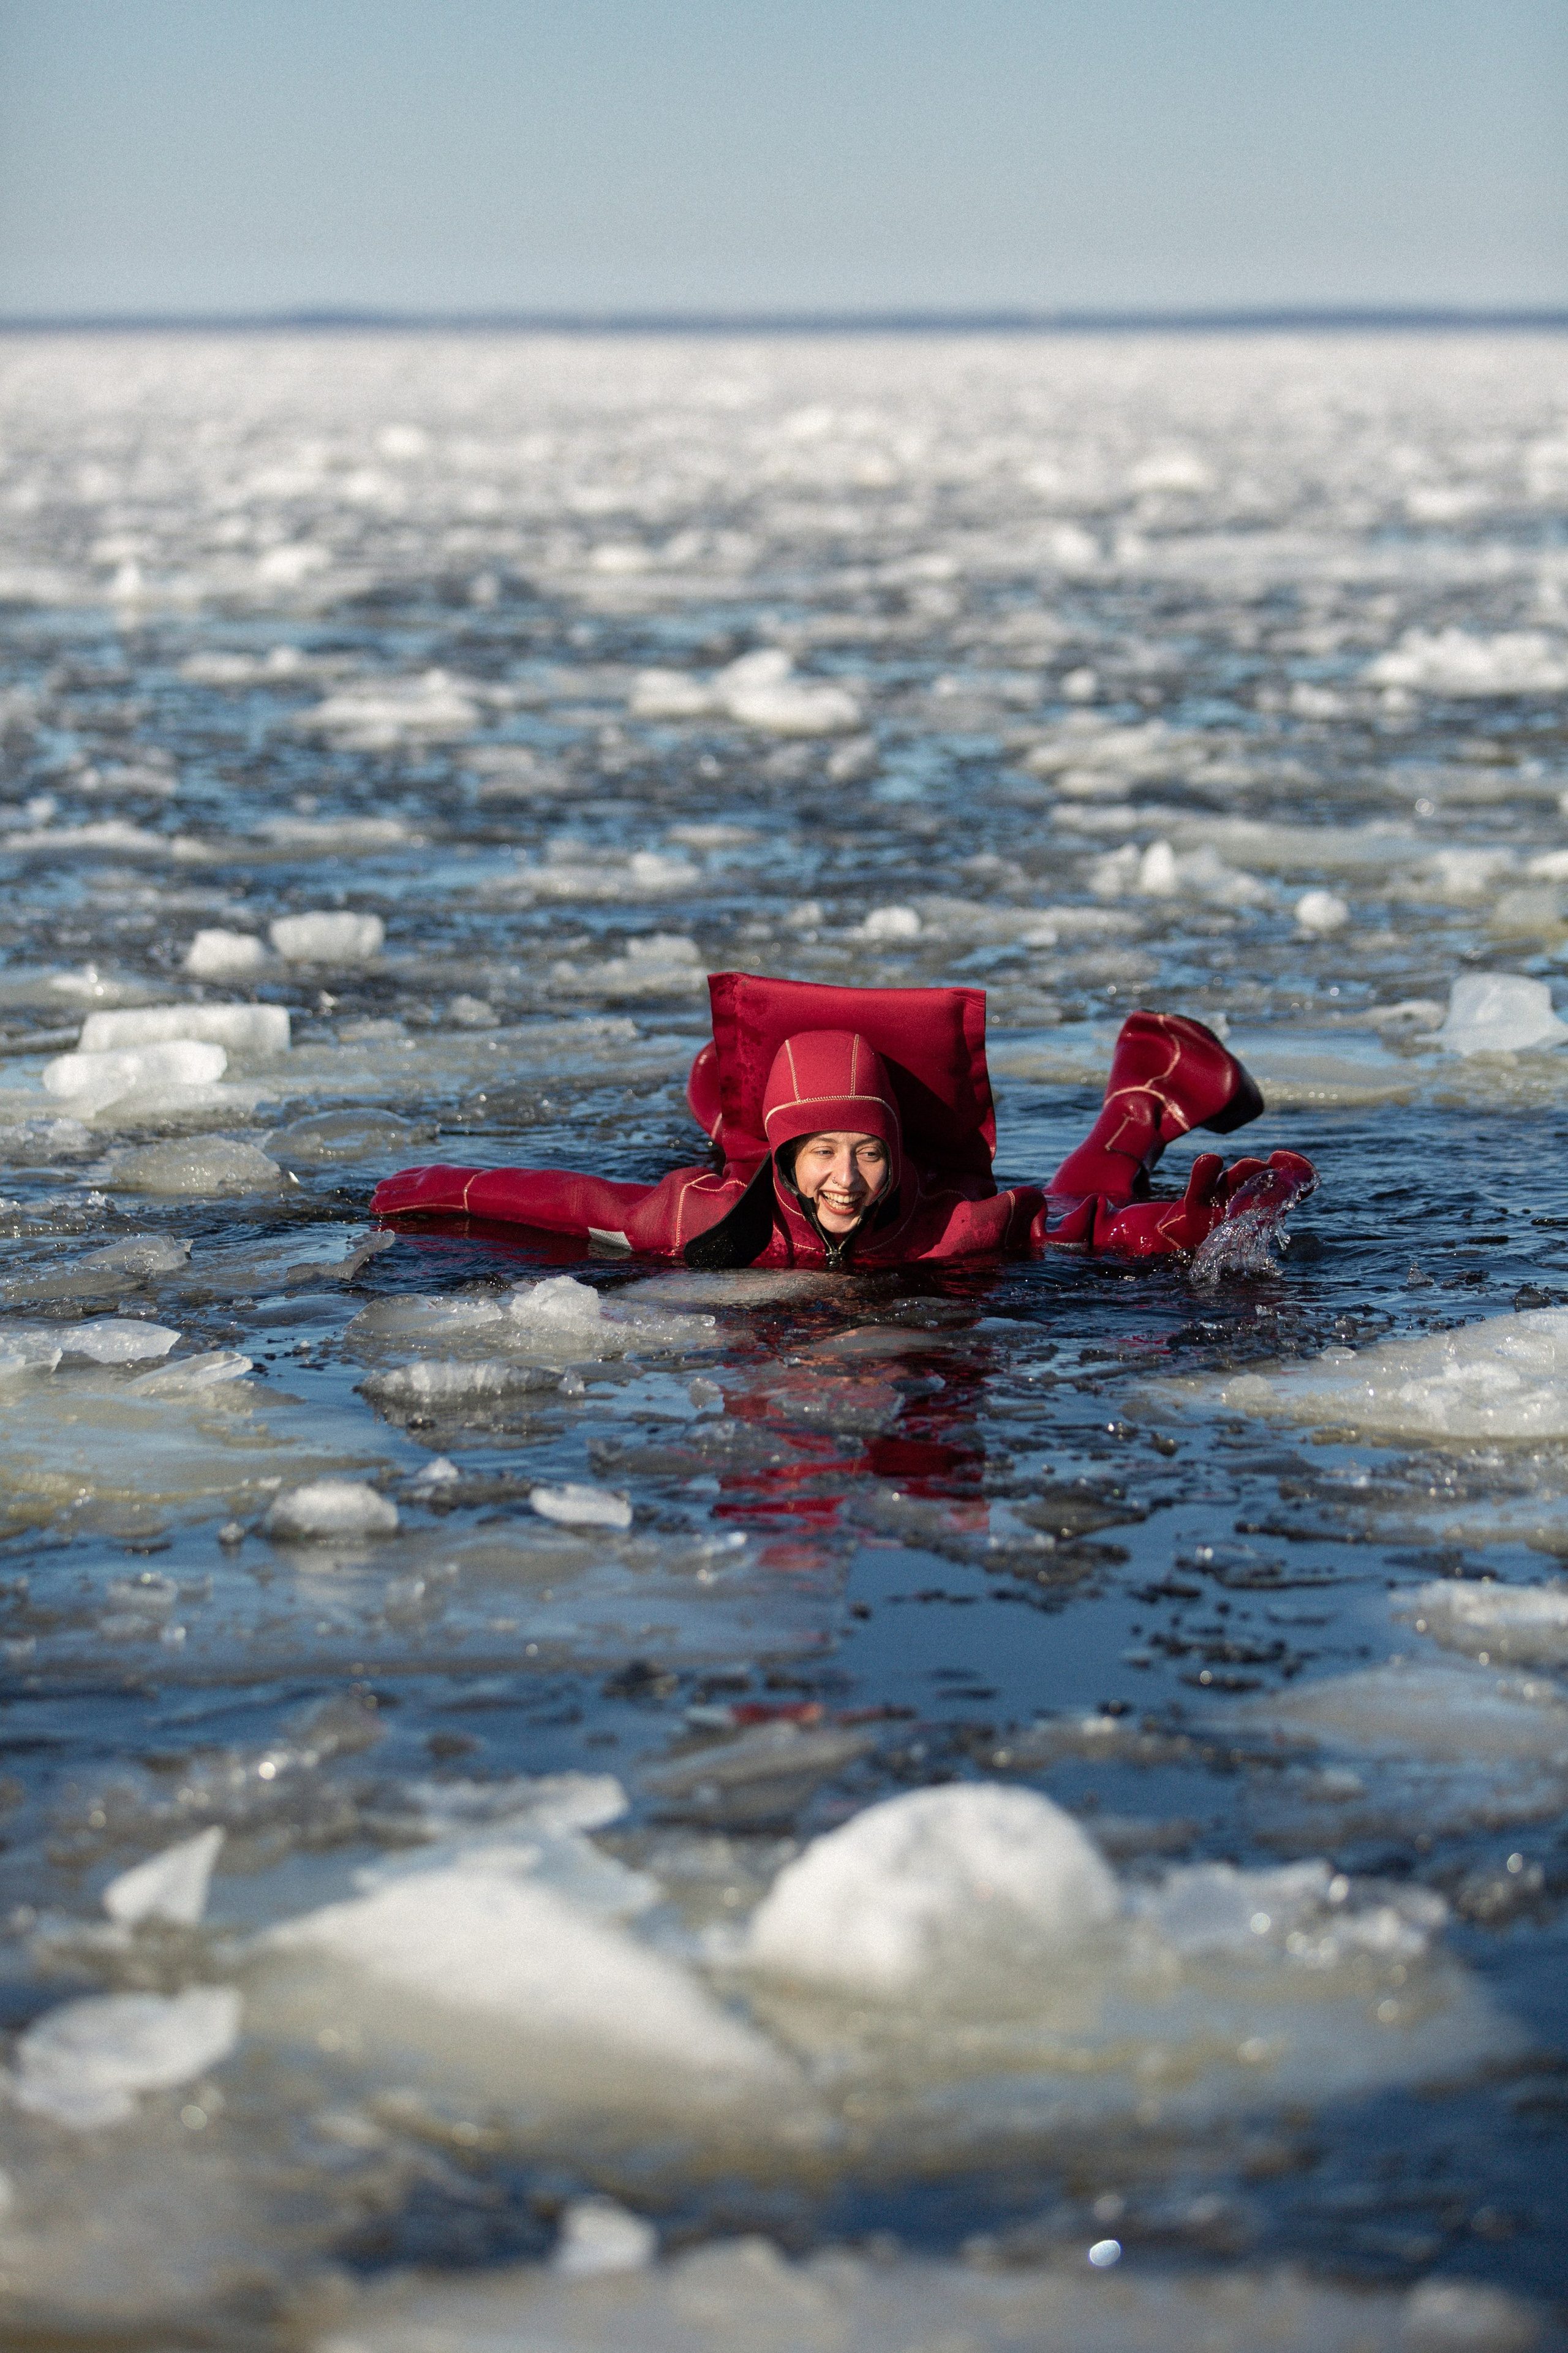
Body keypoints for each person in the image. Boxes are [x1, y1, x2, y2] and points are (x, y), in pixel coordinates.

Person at [371, 972, 1316, 1267]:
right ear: (784, 1154)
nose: (847, 1179)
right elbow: (575, 1199)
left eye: (867, 1152)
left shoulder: (946, 1223)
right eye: (821, 1152)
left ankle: (1149, 1091)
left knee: (1077, 1185)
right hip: (744, 1162)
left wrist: (1179, 1230)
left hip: (956, 1192)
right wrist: (423, 1191)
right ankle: (1148, 1088)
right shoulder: (709, 1220)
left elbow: (1070, 1226)